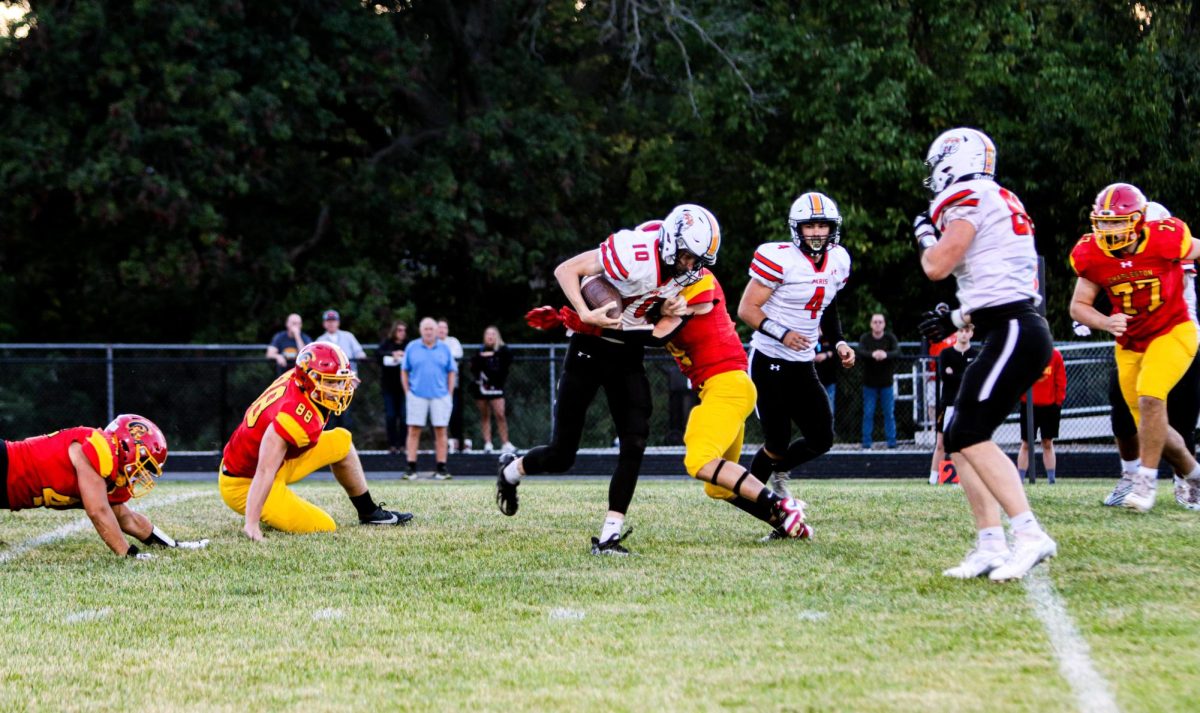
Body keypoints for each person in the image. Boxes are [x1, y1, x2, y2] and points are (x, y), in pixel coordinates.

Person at [531, 267, 813, 543]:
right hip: (724, 388)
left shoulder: (700, 281)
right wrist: (572, 315)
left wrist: (589, 324)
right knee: (717, 486)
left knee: (699, 461)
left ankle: (782, 504)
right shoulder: (666, 289)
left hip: (727, 386)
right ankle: (788, 525)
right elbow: (635, 317)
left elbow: (655, 336)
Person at [498, 203, 719, 555]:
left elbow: (658, 332)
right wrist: (586, 312)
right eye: (687, 257)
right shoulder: (635, 251)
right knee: (562, 455)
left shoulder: (687, 278)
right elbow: (567, 270)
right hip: (590, 346)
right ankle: (512, 472)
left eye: (697, 261)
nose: (691, 266)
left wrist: (670, 311)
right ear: (668, 241)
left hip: (627, 352)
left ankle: (609, 536)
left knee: (635, 441)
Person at [913, 126, 1056, 581]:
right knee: (956, 433)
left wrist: (922, 235)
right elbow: (994, 279)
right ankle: (990, 542)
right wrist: (957, 320)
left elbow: (937, 264)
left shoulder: (970, 195)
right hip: (1009, 326)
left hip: (1015, 329)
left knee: (970, 431)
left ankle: (1029, 533)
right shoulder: (996, 196)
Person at [1069, 183, 1200, 512]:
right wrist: (1105, 322)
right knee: (1147, 419)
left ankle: (1145, 481)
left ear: (1140, 219)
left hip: (1174, 330)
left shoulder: (1167, 236)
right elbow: (1079, 306)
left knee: (1151, 395)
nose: (1111, 230)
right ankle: (1194, 473)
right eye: (1105, 222)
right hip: (1130, 341)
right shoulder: (1091, 252)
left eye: (1119, 222)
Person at [220, 342, 412, 539]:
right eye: (330, 382)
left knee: (341, 441)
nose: (338, 388)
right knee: (324, 526)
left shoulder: (300, 379)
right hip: (245, 481)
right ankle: (259, 514)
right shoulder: (293, 415)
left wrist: (337, 377)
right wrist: (251, 524)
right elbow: (264, 469)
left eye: (339, 381)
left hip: (278, 461)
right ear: (310, 379)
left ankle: (369, 512)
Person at [736, 191, 856, 503]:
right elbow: (747, 309)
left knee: (821, 438)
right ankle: (751, 499)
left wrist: (839, 341)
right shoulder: (780, 259)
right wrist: (783, 333)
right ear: (797, 229)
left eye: (822, 225)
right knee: (777, 440)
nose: (817, 232)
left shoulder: (839, 260)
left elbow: (828, 306)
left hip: (803, 363)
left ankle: (763, 481)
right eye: (810, 226)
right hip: (770, 359)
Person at [3, 414, 206, 557]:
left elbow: (127, 519)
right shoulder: (95, 449)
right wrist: (127, 553)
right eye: (144, 465)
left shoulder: (106, 473)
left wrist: (172, 545)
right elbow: (98, 511)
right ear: (127, 448)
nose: (141, 474)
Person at [403, 317, 457, 480]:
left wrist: (449, 393)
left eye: (431, 329)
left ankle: (441, 467)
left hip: (440, 396)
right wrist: (408, 392)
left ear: (436, 331)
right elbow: (404, 370)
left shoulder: (445, 349)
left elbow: (451, 371)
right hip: (417, 395)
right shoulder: (412, 347)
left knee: (441, 431)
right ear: (421, 330)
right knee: (413, 430)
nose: (428, 331)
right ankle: (411, 467)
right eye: (425, 328)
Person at [928, 324, 977, 484]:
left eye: (967, 331)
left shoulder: (975, 355)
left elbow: (973, 378)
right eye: (961, 331)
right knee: (941, 442)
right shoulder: (946, 353)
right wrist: (963, 375)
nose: (963, 334)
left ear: (971, 333)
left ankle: (963, 479)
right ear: (956, 332)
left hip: (967, 405)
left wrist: (956, 374)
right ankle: (933, 478)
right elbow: (945, 376)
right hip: (948, 403)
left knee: (964, 444)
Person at [1017, 346, 1066, 483]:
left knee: (1047, 443)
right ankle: (1020, 480)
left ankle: (1051, 480)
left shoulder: (1055, 355)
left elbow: (1060, 380)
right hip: (1028, 405)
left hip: (1049, 407)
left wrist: (1058, 402)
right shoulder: (1026, 354)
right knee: (1026, 443)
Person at [316, 309, 367, 430]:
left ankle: (345, 446)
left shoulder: (348, 336)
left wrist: (362, 358)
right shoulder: (320, 340)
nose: (331, 323)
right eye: (328, 321)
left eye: (333, 321)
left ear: (338, 322)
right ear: (324, 323)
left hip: (347, 382)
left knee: (346, 416)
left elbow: (360, 352)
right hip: (329, 384)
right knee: (329, 417)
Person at [855, 313, 899, 449]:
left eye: (880, 322)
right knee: (868, 413)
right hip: (869, 384)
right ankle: (866, 443)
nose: (878, 324)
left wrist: (886, 355)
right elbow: (860, 351)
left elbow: (897, 351)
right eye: (875, 322)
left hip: (887, 383)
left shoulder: (890, 338)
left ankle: (892, 442)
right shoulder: (865, 338)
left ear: (884, 324)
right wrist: (872, 355)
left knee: (889, 414)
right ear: (871, 324)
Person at [470, 325, 515, 454]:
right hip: (482, 387)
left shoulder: (503, 350)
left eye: (493, 334)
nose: (490, 337)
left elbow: (508, 361)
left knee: (500, 414)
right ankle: (488, 443)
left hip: (496, 388)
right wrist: (483, 357)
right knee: (485, 415)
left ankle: (505, 442)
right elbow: (474, 366)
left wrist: (493, 354)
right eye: (488, 334)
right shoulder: (480, 350)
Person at [437, 319, 469, 453]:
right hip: (436, 387)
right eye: (439, 328)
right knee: (438, 416)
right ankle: (442, 442)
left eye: (444, 327)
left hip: (452, 386)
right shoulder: (431, 343)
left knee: (455, 413)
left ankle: (458, 441)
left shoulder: (453, 342)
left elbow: (456, 357)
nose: (442, 330)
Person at [377, 320, 408, 455]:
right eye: (399, 330)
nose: (402, 333)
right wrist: (392, 354)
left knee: (404, 416)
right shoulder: (387, 344)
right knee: (390, 416)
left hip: (404, 388)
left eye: (404, 330)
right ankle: (392, 444)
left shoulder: (408, 345)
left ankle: (403, 444)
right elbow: (378, 354)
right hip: (389, 387)